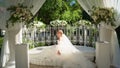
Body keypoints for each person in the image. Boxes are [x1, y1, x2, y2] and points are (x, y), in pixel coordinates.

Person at [30, 29, 95, 68]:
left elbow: (61, 45)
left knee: (48, 50)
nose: (56, 34)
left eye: (57, 33)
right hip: (58, 48)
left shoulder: (61, 38)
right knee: (49, 49)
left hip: (59, 49)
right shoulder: (62, 38)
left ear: (60, 34)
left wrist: (58, 51)